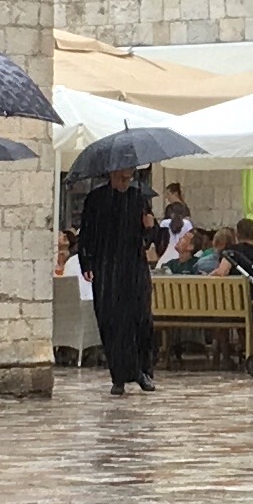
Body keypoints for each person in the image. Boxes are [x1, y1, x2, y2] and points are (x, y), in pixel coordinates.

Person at [75, 162, 157, 396]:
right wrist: (86, 263)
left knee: (140, 319)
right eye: (121, 177)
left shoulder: (138, 197)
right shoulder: (96, 199)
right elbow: (87, 234)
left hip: (134, 266)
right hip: (107, 267)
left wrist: (150, 228)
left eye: (128, 178)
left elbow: (148, 238)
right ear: (112, 174)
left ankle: (143, 371)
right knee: (113, 321)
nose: (125, 182)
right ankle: (119, 376)